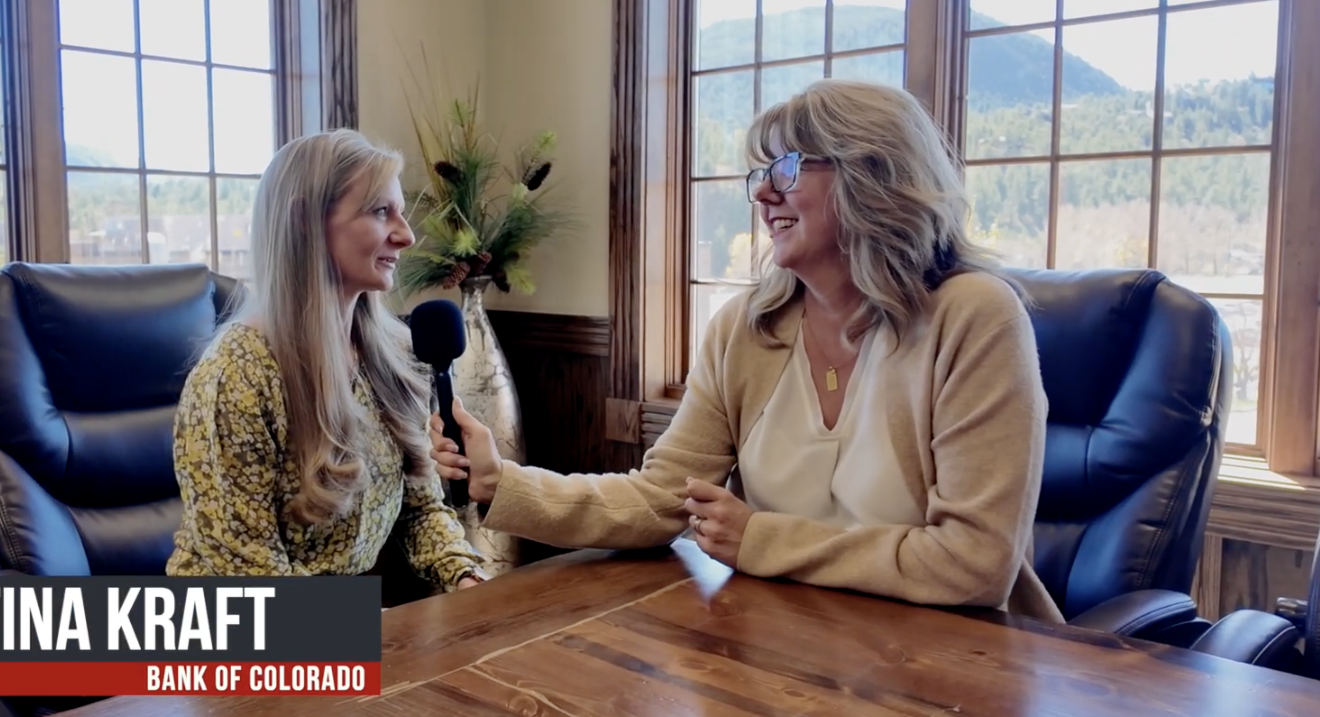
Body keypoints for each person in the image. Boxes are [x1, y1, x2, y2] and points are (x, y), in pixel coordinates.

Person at [430, 79, 1062, 620]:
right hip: (782, 654)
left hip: (960, 673)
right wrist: (501, 482)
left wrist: (759, 539)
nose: (761, 194)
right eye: (759, 174)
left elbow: (973, 567)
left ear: (873, 176)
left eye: (786, 168)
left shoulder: (975, 316)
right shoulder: (745, 327)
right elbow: (659, 501)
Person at [167, 129, 487, 592]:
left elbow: (420, 510)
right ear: (305, 222)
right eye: (381, 211)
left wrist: (465, 577)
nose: (406, 235)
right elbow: (250, 574)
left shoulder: (392, 359)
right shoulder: (236, 375)